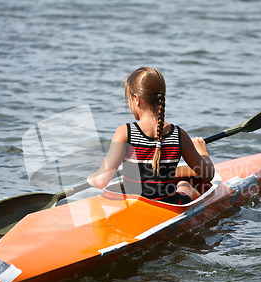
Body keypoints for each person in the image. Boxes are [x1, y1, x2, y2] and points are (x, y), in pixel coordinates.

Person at [88, 67, 215, 205]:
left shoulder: (125, 132)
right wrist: (203, 152)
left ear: (136, 99)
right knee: (184, 184)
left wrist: (90, 178)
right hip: (171, 205)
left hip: (135, 208)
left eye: (128, 99)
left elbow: (101, 181)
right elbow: (208, 175)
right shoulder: (179, 135)